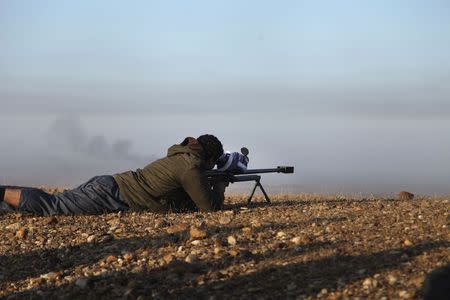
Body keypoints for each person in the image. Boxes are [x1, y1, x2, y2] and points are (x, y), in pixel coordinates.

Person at [0, 134, 227, 215]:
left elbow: (183, 200)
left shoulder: (182, 158)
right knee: (53, 206)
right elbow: (208, 208)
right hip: (110, 193)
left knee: (56, 202)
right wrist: (220, 185)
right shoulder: (190, 168)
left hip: (109, 187)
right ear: (208, 159)